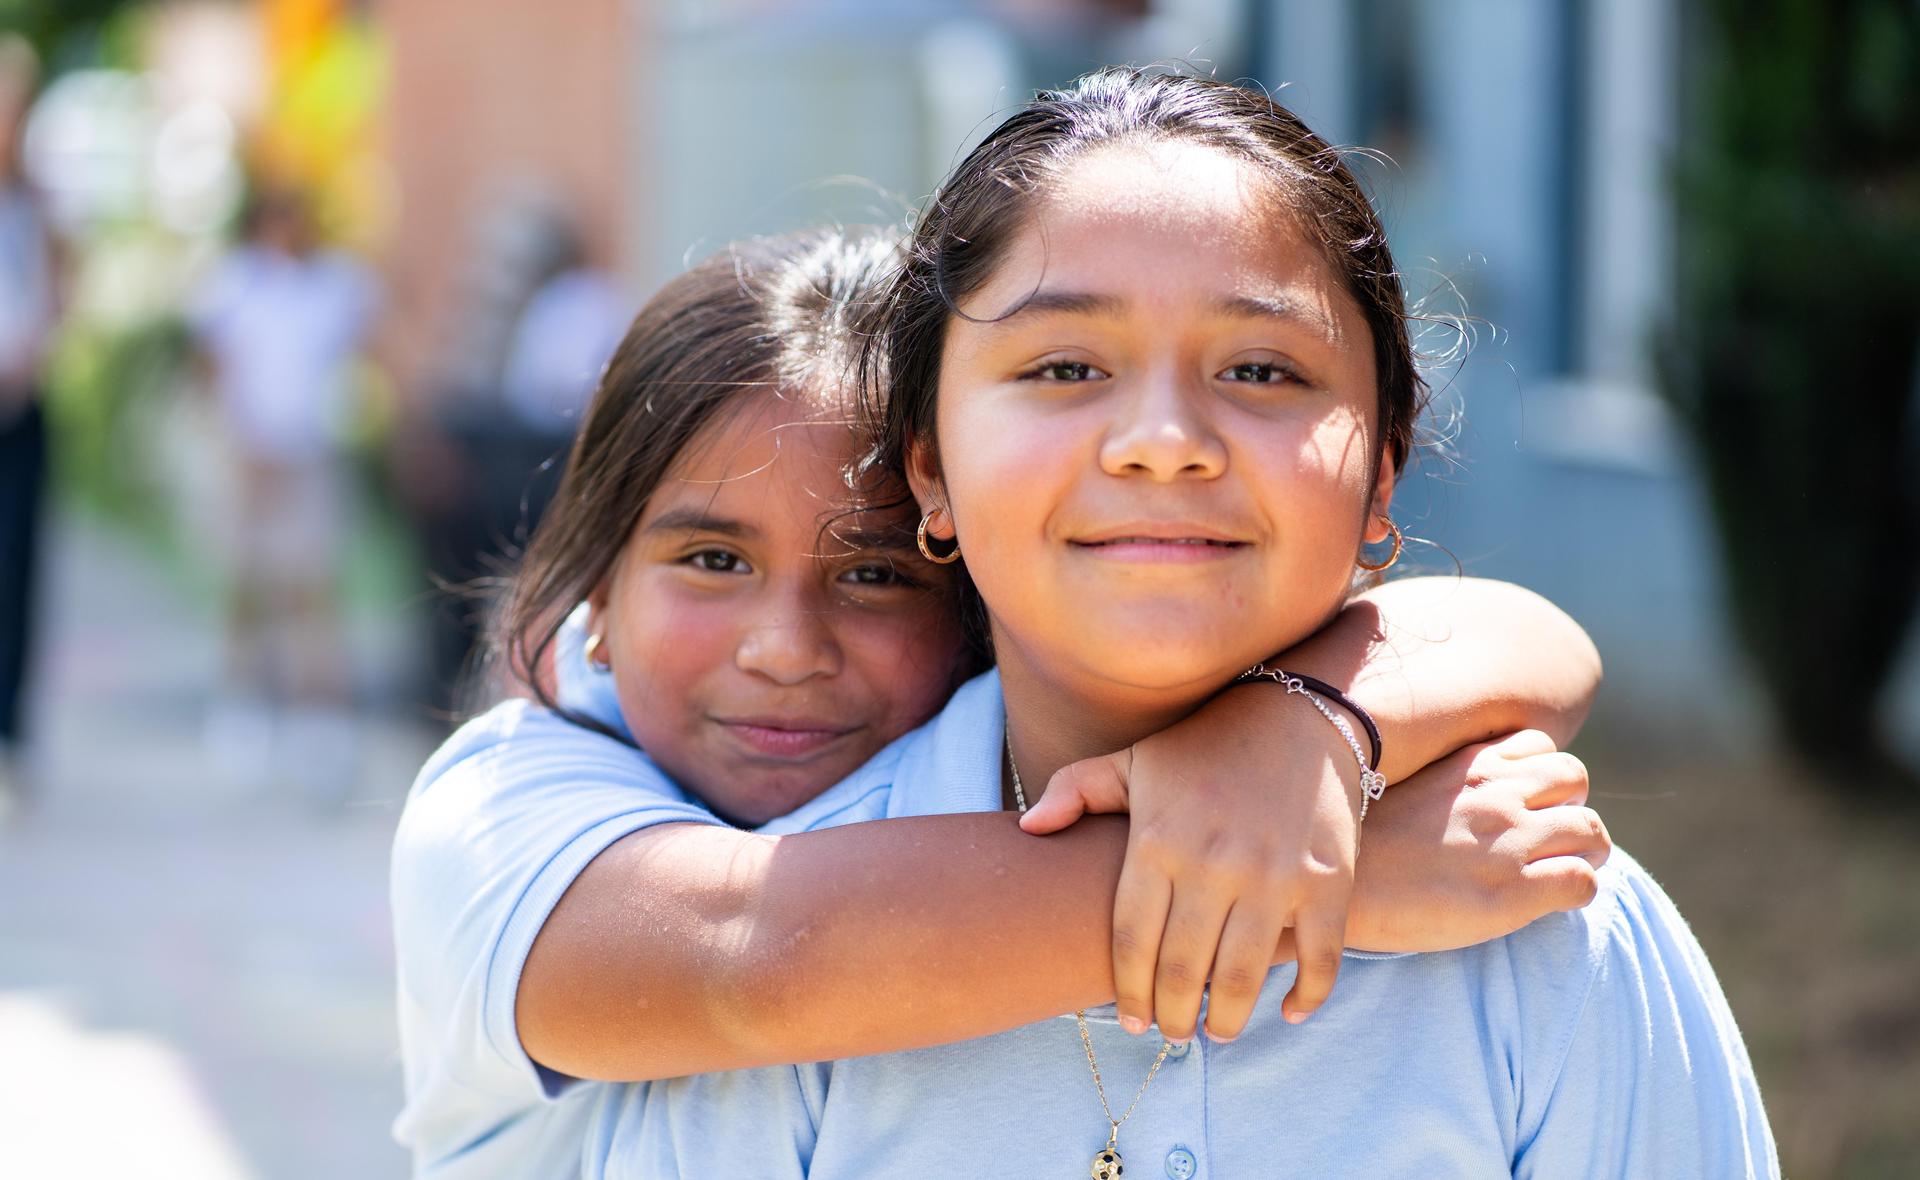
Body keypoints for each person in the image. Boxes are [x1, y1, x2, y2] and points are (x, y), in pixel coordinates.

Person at [567, 70, 1776, 1177]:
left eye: (1259, 371)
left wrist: (1306, 739)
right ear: (929, 471)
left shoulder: (1542, 924)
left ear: (1383, 472)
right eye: (1063, 367)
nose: (1162, 439)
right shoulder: (786, 961)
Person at [392, 226, 1613, 1176]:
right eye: (712, 561)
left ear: (966, 551)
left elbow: (1529, 633)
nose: (783, 647)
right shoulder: (500, 807)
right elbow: (759, 957)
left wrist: (1299, 731)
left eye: (873, 574)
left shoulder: (996, 758)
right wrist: (1309, 878)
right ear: (599, 578)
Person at [189, 186, 378, 797]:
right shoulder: (235, 284)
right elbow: (214, 365)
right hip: (251, 457)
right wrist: (234, 436)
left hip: (308, 453)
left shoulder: (332, 287)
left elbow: (368, 346)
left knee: (312, 585)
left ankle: (318, 714)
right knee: (247, 583)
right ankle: (243, 707)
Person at [0, 34, 55, 818]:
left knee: (17, 567)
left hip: (22, 404)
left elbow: (55, 291)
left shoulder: (37, 202)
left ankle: (9, 734)